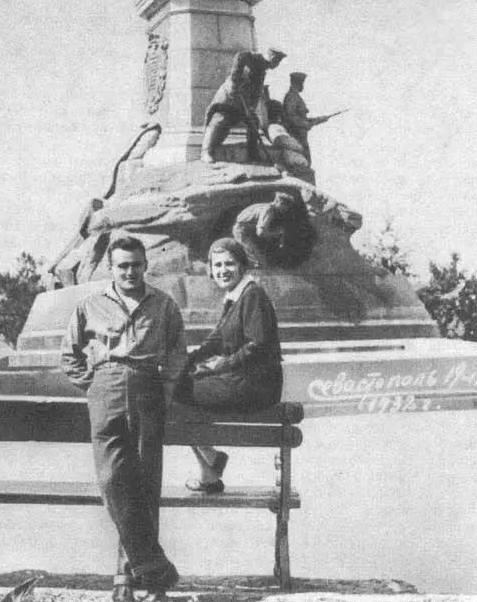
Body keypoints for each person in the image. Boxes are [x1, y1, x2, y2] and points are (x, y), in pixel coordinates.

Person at [61, 236, 187, 602]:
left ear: (145, 265)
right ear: (110, 268)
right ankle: (153, 567)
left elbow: (178, 352)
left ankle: (131, 581)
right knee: (113, 480)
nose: (130, 272)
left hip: (148, 388)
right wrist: (95, 384)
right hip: (107, 387)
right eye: (122, 266)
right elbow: (69, 355)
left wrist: (164, 388)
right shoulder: (89, 305)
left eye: (135, 265)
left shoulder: (164, 305)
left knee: (144, 485)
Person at [175, 238, 283, 492]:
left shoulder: (252, 295)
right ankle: (210, 466)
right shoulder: (235, 297)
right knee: (175, 384)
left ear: (242, 265)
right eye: (217, 265)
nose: (223, 270)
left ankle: (210, 462)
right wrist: (186, 362)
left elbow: (258, 345)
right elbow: (216, 339)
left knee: (174, 390)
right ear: (210, 269)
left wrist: (221, 365)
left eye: (229, 264)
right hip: (242, 381)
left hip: (256, 386)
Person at [201, 48, 287, 163]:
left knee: (253, 122)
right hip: (229, 97)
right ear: (272, 58)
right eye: (277, 62)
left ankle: (253, 155)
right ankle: (205, 152)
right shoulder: (251, 58)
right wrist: (236, 82)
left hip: (243, 102)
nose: (277, 65)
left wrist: (251, 109)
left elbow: (256, 93)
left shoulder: (262, 70)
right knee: (220, 119)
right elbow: (239, 61)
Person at [233, 192, 312, 268]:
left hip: (245, 231)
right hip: (241, 232)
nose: (286, 209)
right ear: (279, 203)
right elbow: (260, 233)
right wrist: (277, 234)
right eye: (286, 206)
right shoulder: (269, 210)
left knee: (259, 259)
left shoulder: (266, 206)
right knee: (255, 261)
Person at [282, 72, 332, 166]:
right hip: (296, 136)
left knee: (305, 163)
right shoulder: (292, 97)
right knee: (303, 164)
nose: (303, 86)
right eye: (302, 83)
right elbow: (291, 117)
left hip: (300, 136)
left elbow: (301, 118)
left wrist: (319, 120)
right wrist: (307, 124)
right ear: (298, 83)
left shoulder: (295, 97)